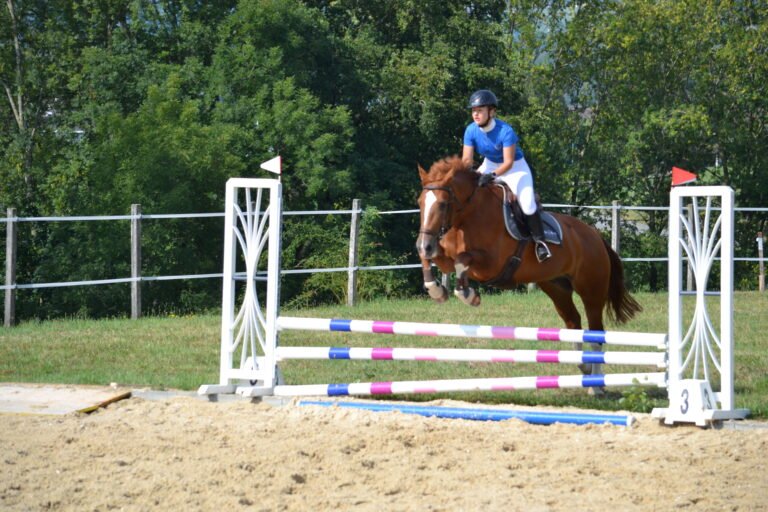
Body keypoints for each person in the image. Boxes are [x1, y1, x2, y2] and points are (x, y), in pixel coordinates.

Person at [461, 89, 551, 262]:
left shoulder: (505, 131)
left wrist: (492, 175)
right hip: (490, 164)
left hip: (515, 168)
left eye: (480, 110)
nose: (476, 114)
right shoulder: (470, 131)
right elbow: (466, 161)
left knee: (527, 204)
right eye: (473, 111)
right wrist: (468, 176)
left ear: (492, 112)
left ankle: (541, 243)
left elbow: (508, 162)